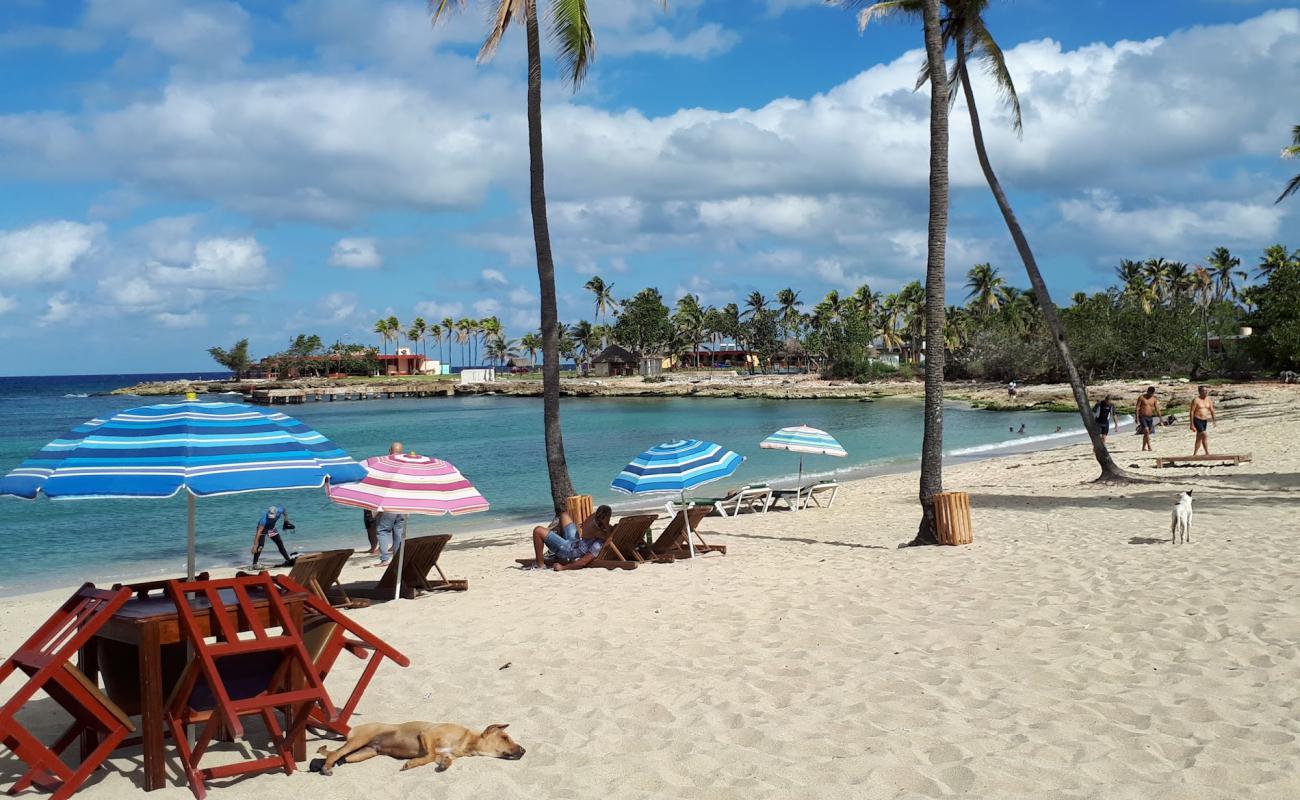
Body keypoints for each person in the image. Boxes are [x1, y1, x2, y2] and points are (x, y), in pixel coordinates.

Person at [529, 505, 614, 570]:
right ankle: (554, 545)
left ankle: (540, 564)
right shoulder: (599, 526)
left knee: (538, 531)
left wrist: (562, 567)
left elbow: (582, 562)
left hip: (568, 551)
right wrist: (606, 525)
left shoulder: (598, 543)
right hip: (575, 542)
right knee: (564, 515)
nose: (594, 520)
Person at [372, 441, 408, 567]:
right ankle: (397, 559)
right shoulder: (406, 465)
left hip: (390, 503)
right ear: (402, 452)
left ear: (389, 451)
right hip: (403, 504)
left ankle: (384, 559)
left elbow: (380, 483)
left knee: (382, 530)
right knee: (398, 532)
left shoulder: (386, 464)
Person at [1189, 385, 1217, 455]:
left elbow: (1212, 410)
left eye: (1206, 390)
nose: (1206, 392)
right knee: (1204, 434)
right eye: (1204, 391)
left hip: (1204, 420)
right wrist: (1191, 424)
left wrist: (1214, 420)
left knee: (1199, 437)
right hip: (1197, 419)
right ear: (1200, 392)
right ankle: (1207, 452)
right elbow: (1192, 412)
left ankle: (1194, 454)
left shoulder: (1208, 400)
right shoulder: (1196, 400)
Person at [1135, 386, 1161, 452]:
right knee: (1146, 431)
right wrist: (1137, 417)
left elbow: (1157, 409)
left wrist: (1160, 418)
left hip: (1150, 417)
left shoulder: (1154, 399)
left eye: (1152, 393)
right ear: (1148, 391)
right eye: (1150, 393)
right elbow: (1137, 408)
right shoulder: (1141, 398)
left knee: (1147, 433)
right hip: (1142, 416)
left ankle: (1143, 447)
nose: (1151, 394)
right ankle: (1149, 446)